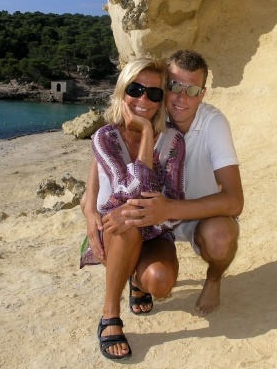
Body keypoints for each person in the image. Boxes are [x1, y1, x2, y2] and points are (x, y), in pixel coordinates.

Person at [82, 49, 244, 325]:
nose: (182, 98)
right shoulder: (148, 108)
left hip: (189, 216)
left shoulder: (210, 124)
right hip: (147, 217)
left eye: (192, 90)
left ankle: (214, 279)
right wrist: (89, 209)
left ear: (203, 94)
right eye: (175, 87)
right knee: (126, 224)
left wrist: (167, 209)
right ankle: (125, 294)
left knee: (221, 237)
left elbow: (235, 201)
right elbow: (101, 160)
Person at [80, 56, 186, 360]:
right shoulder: (105, 137)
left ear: (162, 100)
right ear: (122, 90)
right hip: (116, 231)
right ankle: (109, 315)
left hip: (156, 231)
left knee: (160, 283)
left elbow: (175, 202)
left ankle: (136, 280)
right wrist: (147, 134)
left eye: (154, 93)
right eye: (136, 90)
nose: (144, 100)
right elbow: (129, 190)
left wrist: (154, 217)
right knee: (126, 218)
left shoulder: (174, 141)